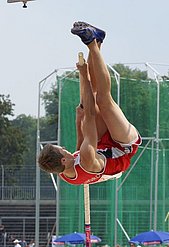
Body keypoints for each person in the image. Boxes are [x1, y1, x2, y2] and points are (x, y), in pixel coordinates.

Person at [38, 21, 141, 185]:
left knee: (87, 105)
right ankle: (92, 43)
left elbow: (79, 146)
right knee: (102, 100)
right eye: (63, 150)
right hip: (124, 148)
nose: (65, 148)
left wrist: (78, 121)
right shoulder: (86, 159)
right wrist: (83, 74)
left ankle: (97, 41)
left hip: (101, 147)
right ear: (64, 160)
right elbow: (91, 114)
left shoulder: (63, 172)